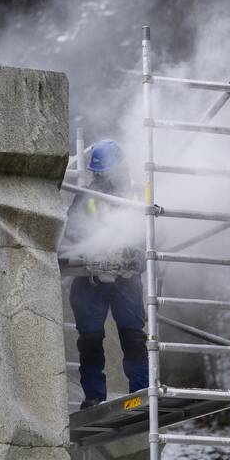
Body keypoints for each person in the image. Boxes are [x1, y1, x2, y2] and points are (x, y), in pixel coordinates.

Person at [65, 139, 148, 408]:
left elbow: (154, 230)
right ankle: (93, 397)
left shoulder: (138, 194)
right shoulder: (88, 196)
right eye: (99, 173)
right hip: (91, 279)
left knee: (133, 337)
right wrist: (96, 249)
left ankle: (139, 395)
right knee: (90, 340)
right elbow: (73, 229)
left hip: (126, 278)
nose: (104, 178)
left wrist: (134, 251)